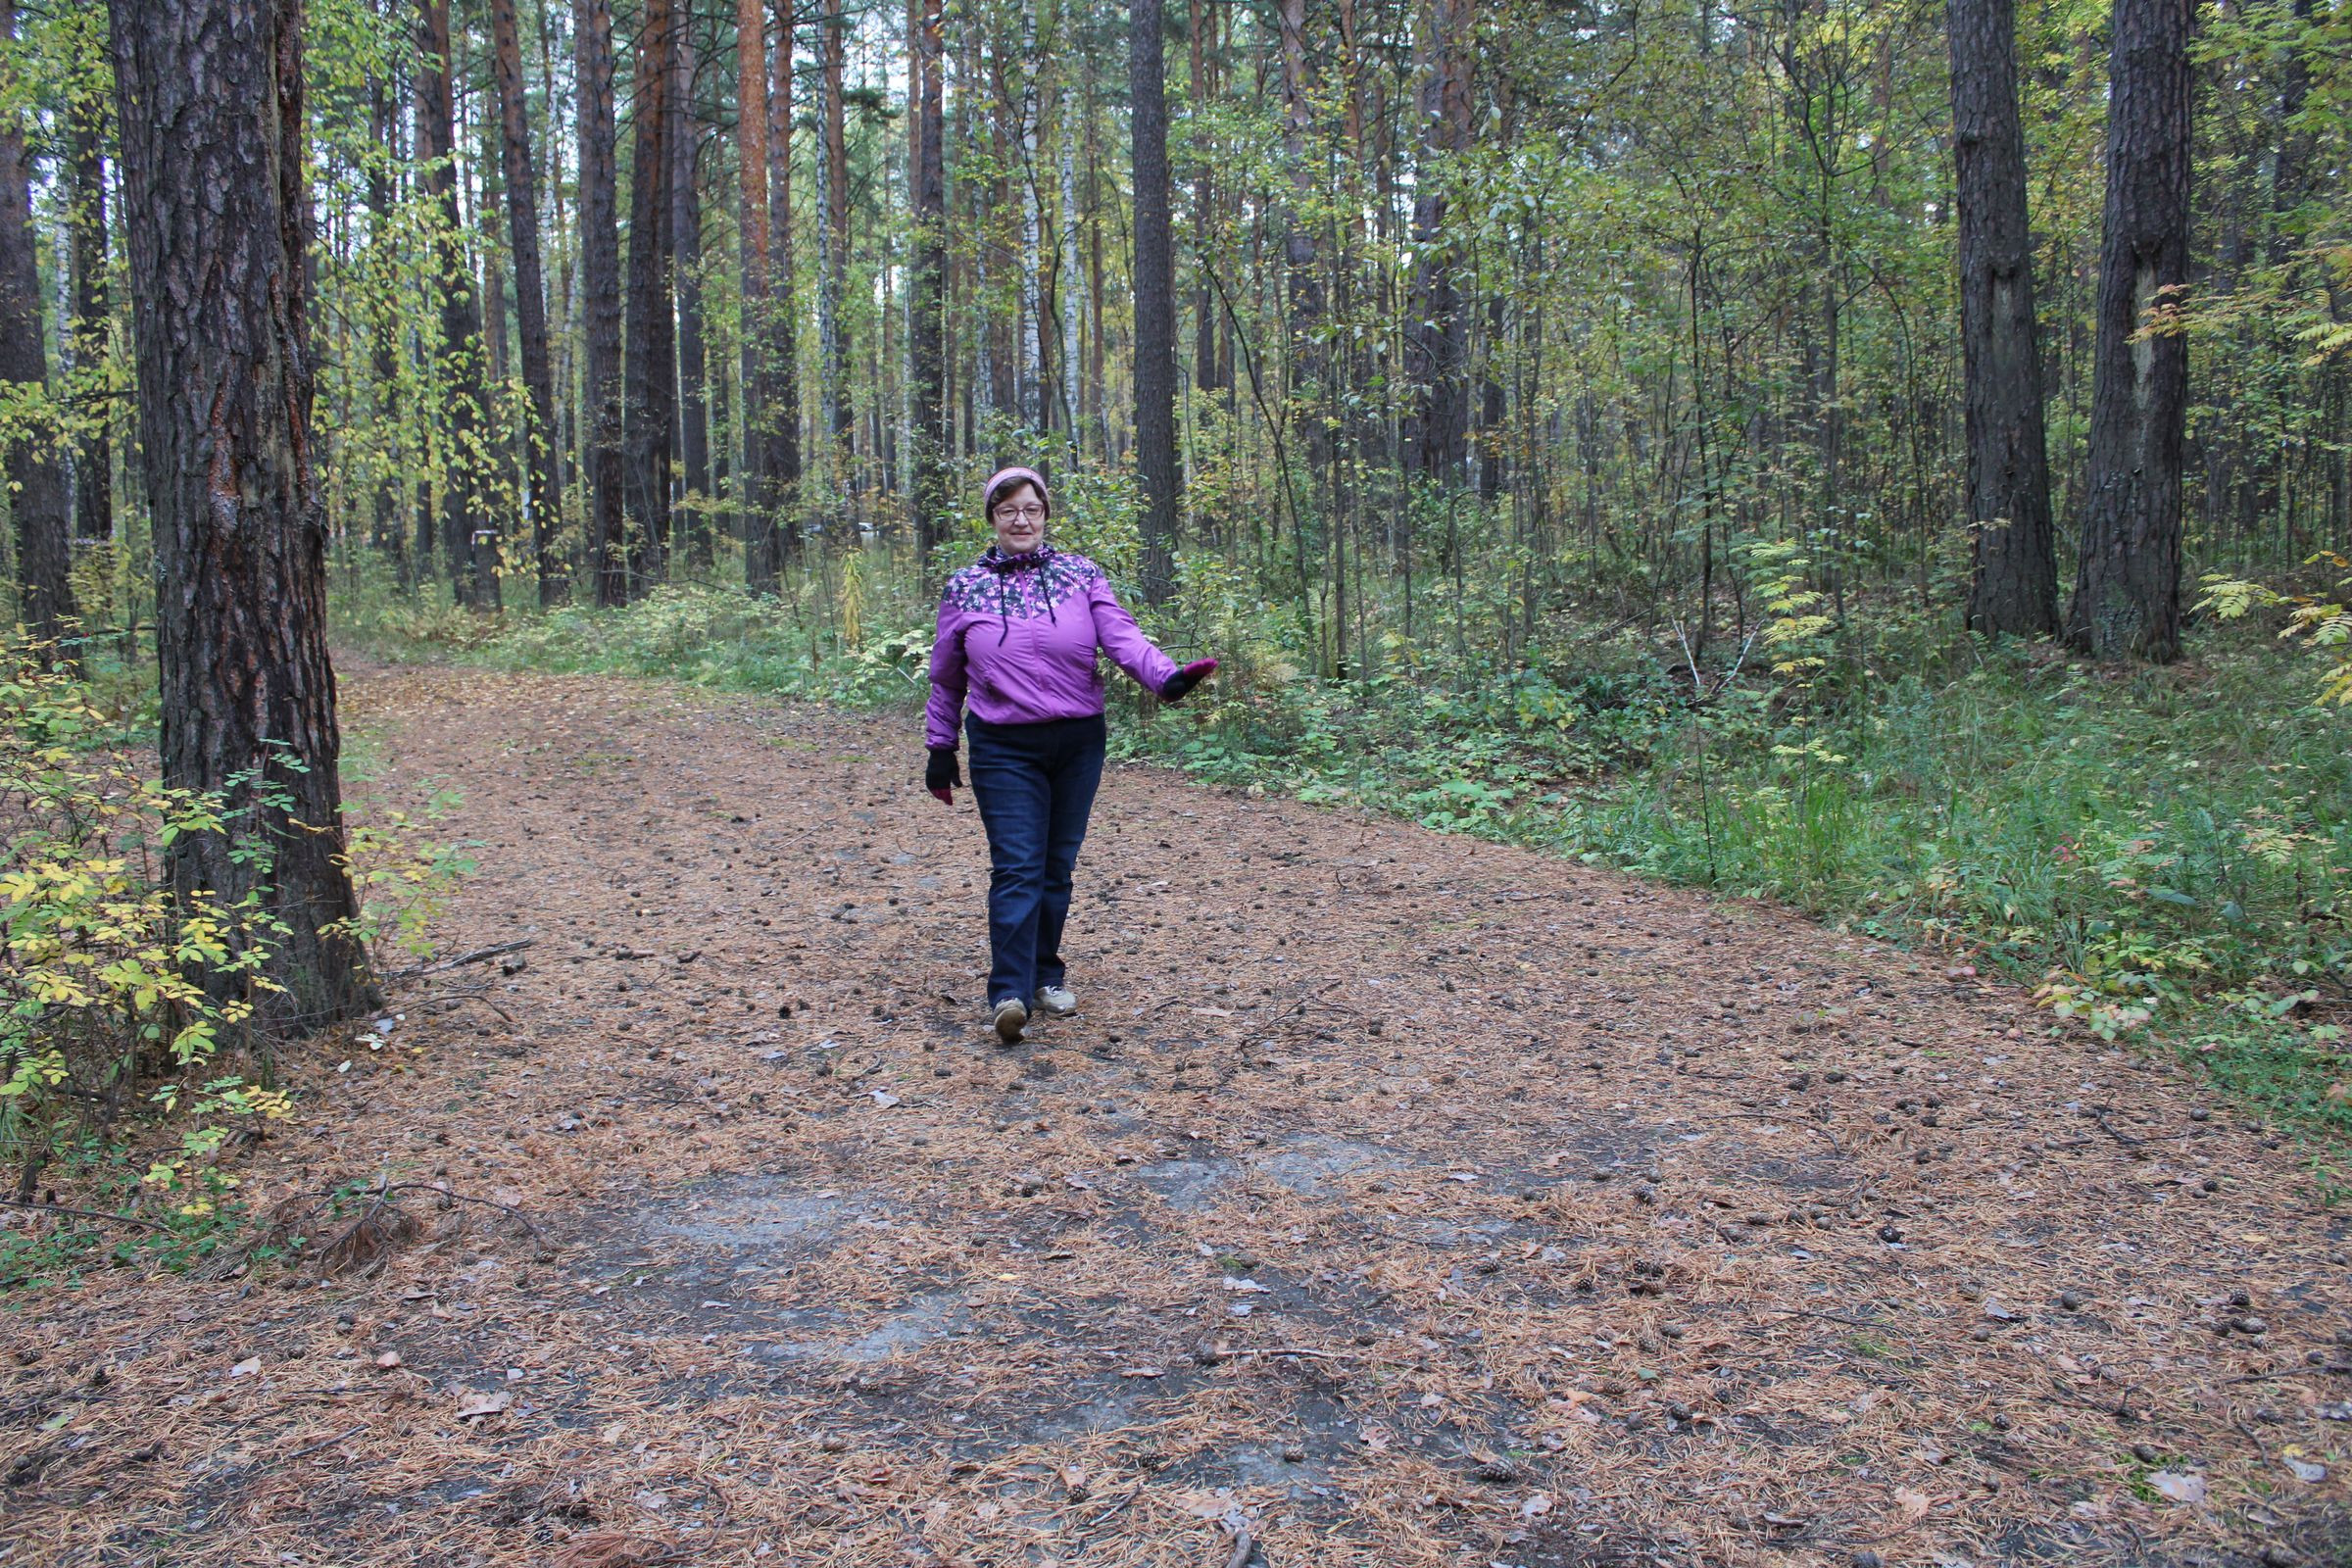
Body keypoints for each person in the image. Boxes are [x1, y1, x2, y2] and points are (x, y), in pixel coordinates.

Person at [923, 466, 1217, 1044]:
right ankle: (1008, 991)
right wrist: (940, 746)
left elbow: (1122, 635)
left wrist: (1165, 678)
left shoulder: (1080, 575)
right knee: (1018, 867)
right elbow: (946, 677)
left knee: (1056, 867)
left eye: (1031, 508)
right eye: (1007, 510)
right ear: (992, 519)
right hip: (1003, 744)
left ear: (1045, 514)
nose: (1021, 519)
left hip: (1078, 741)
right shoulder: (966, 587)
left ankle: (1043, 974)